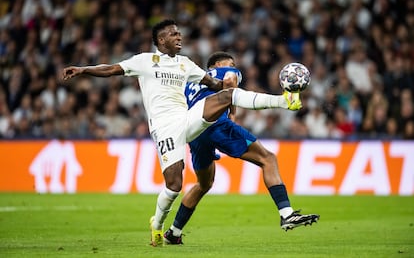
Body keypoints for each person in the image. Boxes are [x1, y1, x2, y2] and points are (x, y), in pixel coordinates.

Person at [62, 19, 302, 247]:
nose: (179, 36)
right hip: (164, 127)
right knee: (175, 184)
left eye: (179, 32)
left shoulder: (185, 63)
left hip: (188, 118)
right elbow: (112, 68)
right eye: (173, 33)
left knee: (226, 97)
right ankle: (157, 224)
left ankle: (284, 102)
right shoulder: (145, 61)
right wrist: (84, 70)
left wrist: (228, 90)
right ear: (160, 40)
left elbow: (216, 84)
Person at [163, 52, 320, 245]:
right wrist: (232, 114)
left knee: (204, 184)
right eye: (231, 63)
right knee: (268, 159)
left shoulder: (191, 83)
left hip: (194, 134)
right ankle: (286, 214)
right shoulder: (226, 71)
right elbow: (230, 83)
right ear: (218, 64)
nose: (234, 66)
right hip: (217, 125)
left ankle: (174, 232)